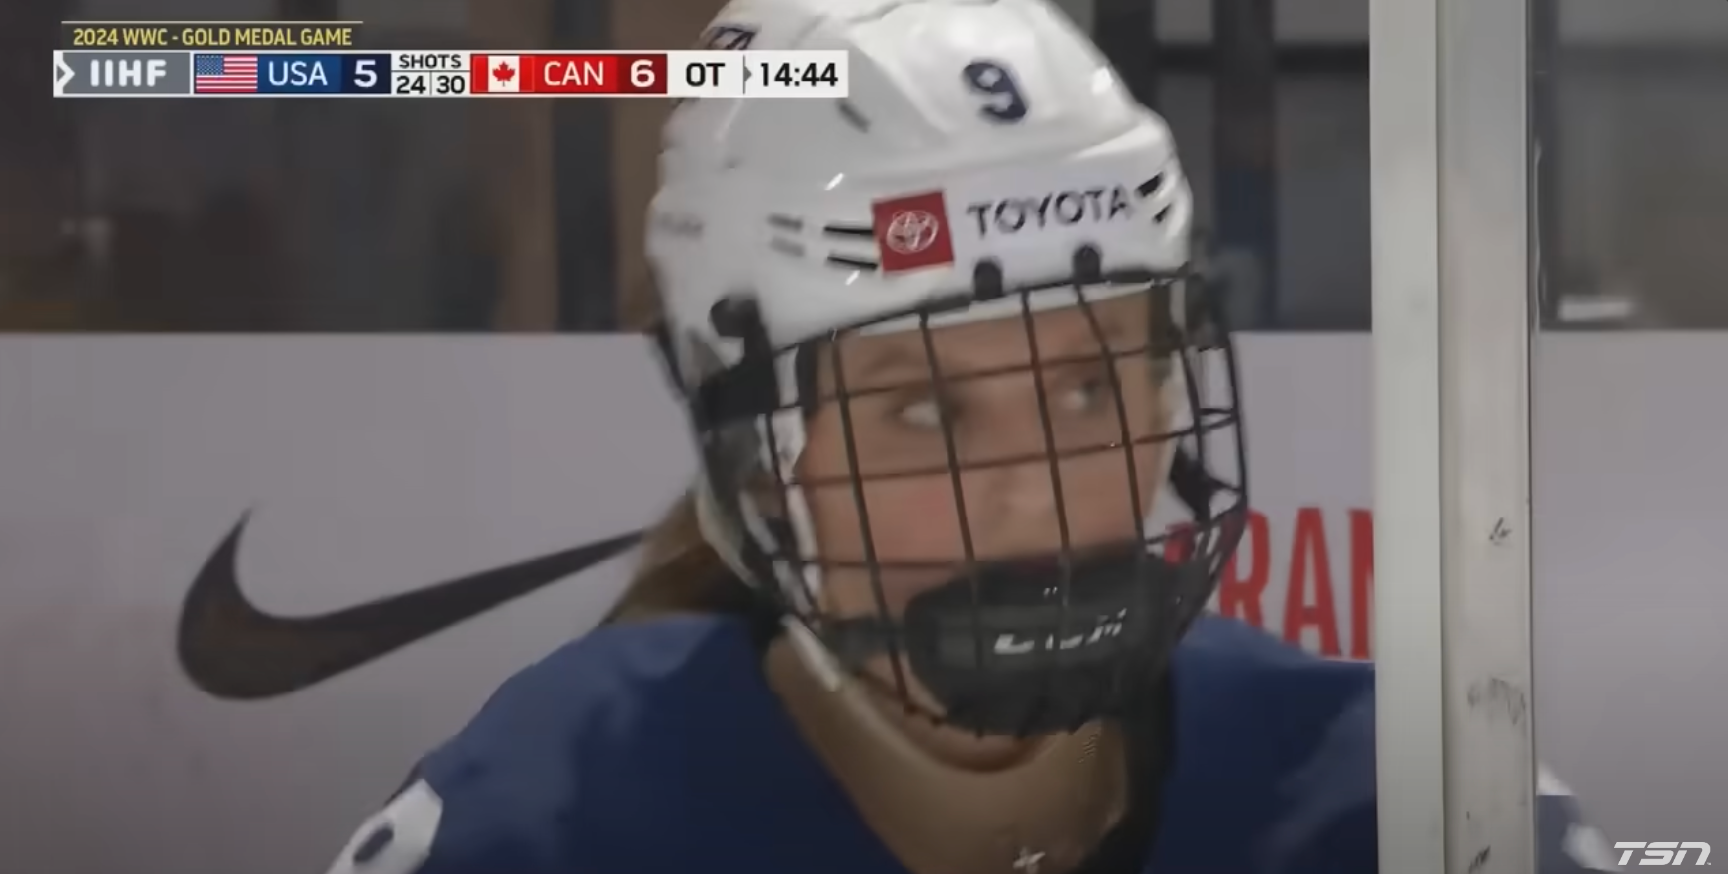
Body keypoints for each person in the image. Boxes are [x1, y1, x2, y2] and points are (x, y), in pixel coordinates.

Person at [322, 0, 1617, 871]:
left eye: (1090, 386)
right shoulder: (539, 827)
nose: (1031, 498)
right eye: (928, 407)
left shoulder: (1414, 807)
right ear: (760, 456)